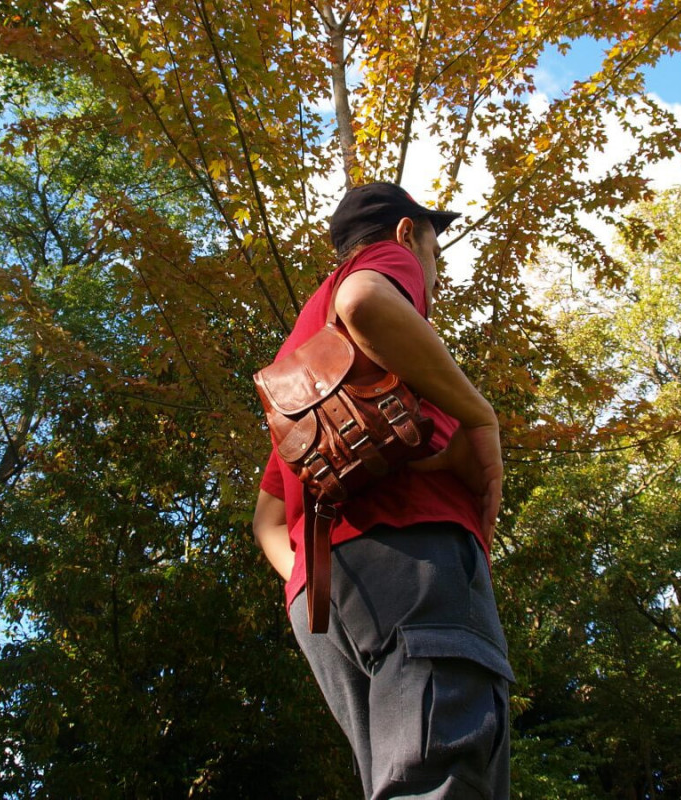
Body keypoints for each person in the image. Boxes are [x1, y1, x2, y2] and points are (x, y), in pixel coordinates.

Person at [253, 182, 513, 799]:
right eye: (435, 254)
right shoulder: (382, 267)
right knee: (446, 772)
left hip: (324, 603)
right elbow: (367, 299)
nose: (434, 276)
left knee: (399, 781)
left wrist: (315, 575)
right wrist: (480, 416)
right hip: (414, 554)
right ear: (404, 236)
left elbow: (266, 518)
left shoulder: (309, 366)